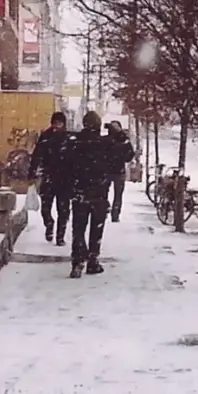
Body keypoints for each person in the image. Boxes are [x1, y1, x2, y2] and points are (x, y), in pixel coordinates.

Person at [63, 111, 130, 278]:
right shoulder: (105, 144)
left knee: (78, 228)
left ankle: (77, 261)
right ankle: (93, 260)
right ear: (99, 126)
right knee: (96, 228)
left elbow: (64, 166)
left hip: (80, 192)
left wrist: (70, 185)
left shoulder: (74, 142)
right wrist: (120, 134)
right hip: (99, 193)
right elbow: (128, 155)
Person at [31, 112, 73, 245]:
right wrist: (32, 171)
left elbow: (75, 159)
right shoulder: (46, 136)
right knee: (45, 207)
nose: (57, 125)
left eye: (59, 123)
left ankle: (60, 236)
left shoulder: (69, 138)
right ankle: (49, 224)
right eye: (55, 122)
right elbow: (37, 154)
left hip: (65, 179)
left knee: (64, 210)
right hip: (49, 176)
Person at [106, 121, 137, 222]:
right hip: (113, 170)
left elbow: (129, 154)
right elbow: (129, 154)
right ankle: (111, 212)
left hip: (114, 170)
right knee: (111, 193)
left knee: (115, 194)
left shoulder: (121, 140)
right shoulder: (119, 140)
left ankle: (113, 213)